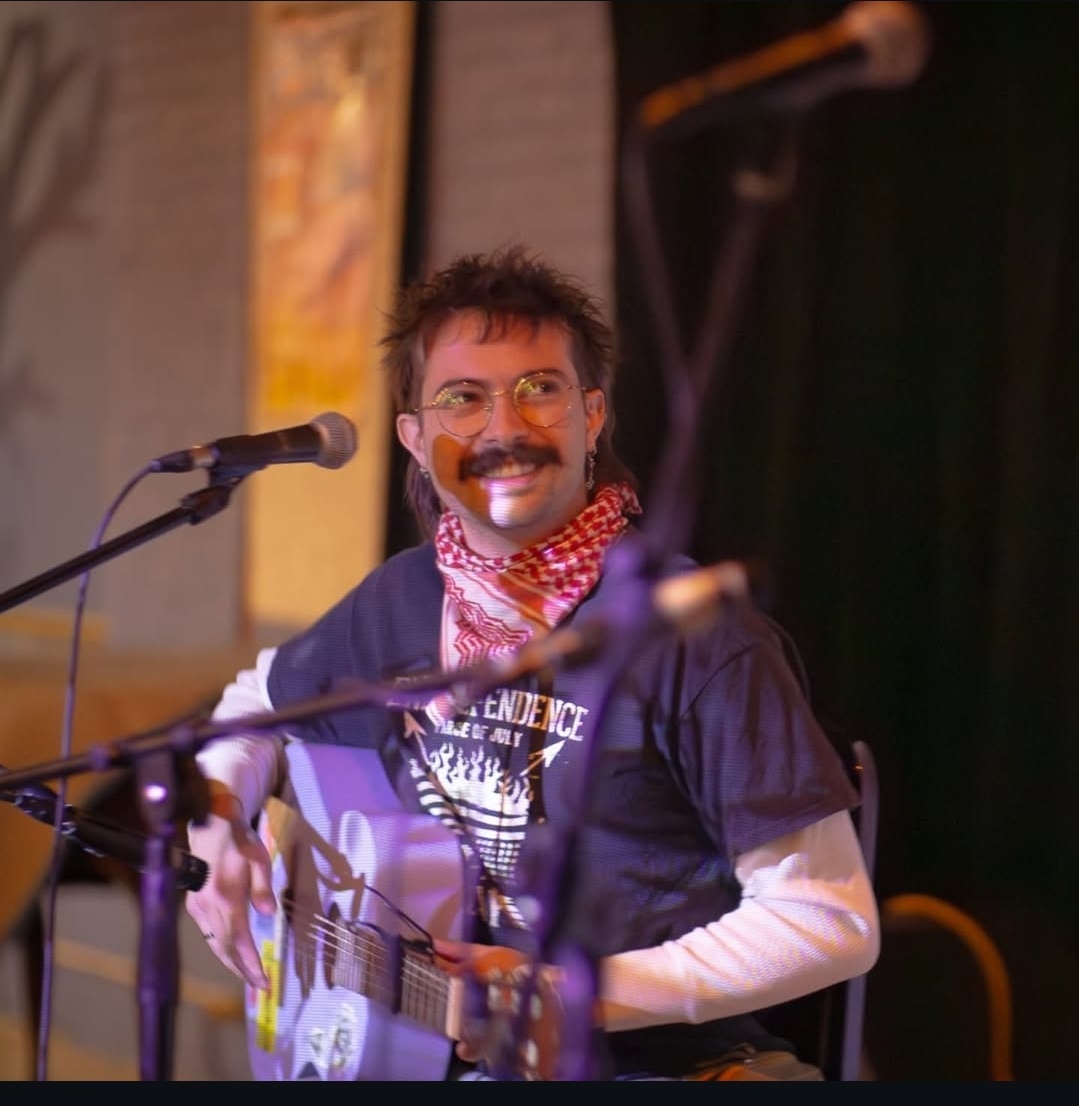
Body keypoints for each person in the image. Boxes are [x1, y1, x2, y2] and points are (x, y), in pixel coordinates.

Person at [185, 244, 879, 1081]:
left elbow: (828, 920)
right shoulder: (399, 600)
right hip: (416, 1051)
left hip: (652, 1062)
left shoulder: (694, 635)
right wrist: (217, 818)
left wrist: (570, 996)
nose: (504, 428)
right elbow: (256, 704)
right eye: (462, 399)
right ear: (415, 438)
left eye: (538, 390)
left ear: (593, 416)